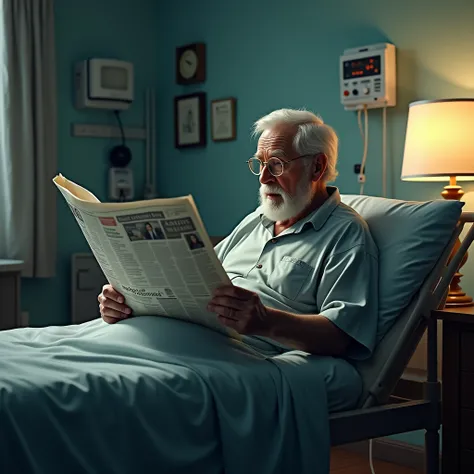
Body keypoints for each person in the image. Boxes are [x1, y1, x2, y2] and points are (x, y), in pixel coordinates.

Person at [98, 108, 378, 360]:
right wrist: (129, 301)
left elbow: (342, 336)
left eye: (277, 164)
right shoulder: (255, 221)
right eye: (260, 163)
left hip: (230, 352)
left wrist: (266, 321)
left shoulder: (346, 234)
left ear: (317, 167)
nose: (264, 178)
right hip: (173, 334)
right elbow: (194, 283)